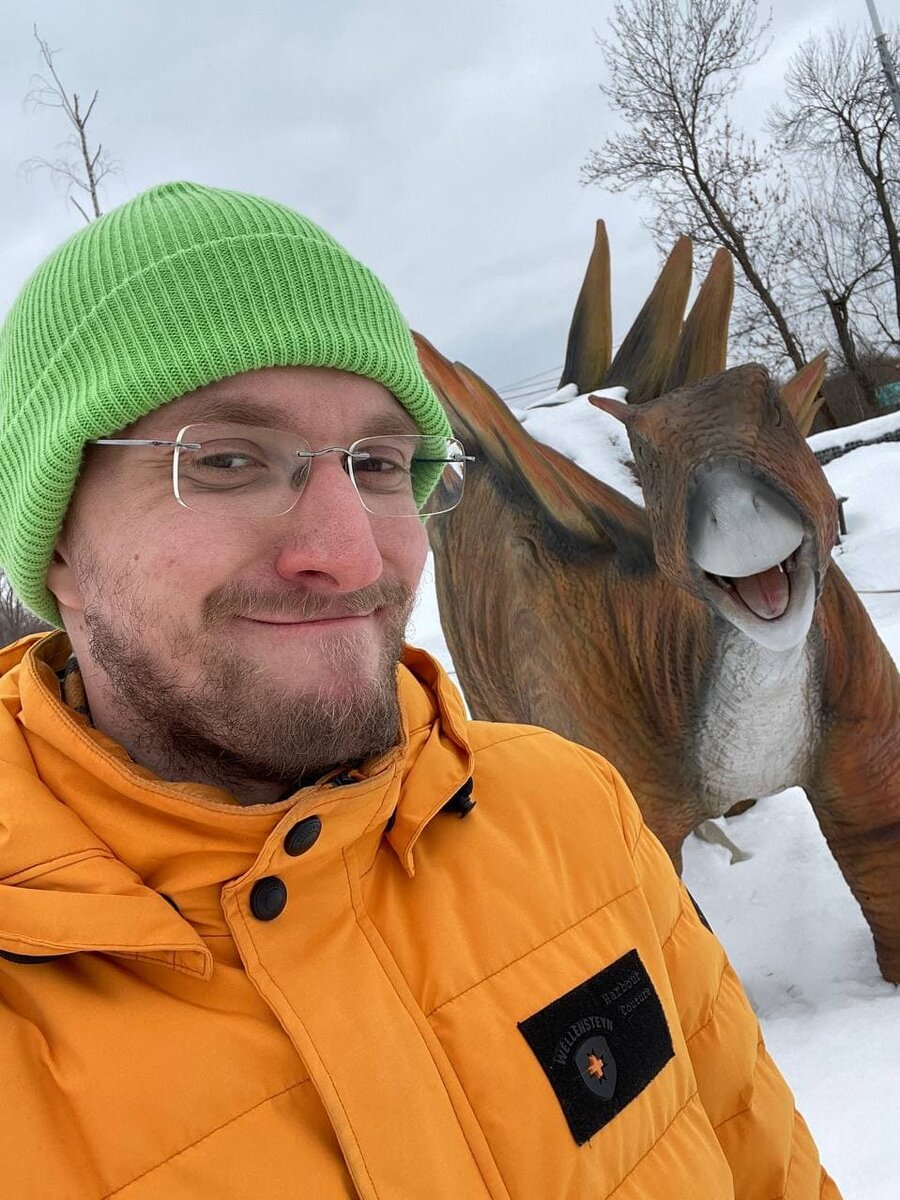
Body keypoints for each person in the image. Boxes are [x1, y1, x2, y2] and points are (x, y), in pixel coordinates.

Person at [0, 181, 839, 1199]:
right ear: (58, 545)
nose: (352, 554)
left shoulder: (574, 815)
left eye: (378, 463)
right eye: (225, 460)